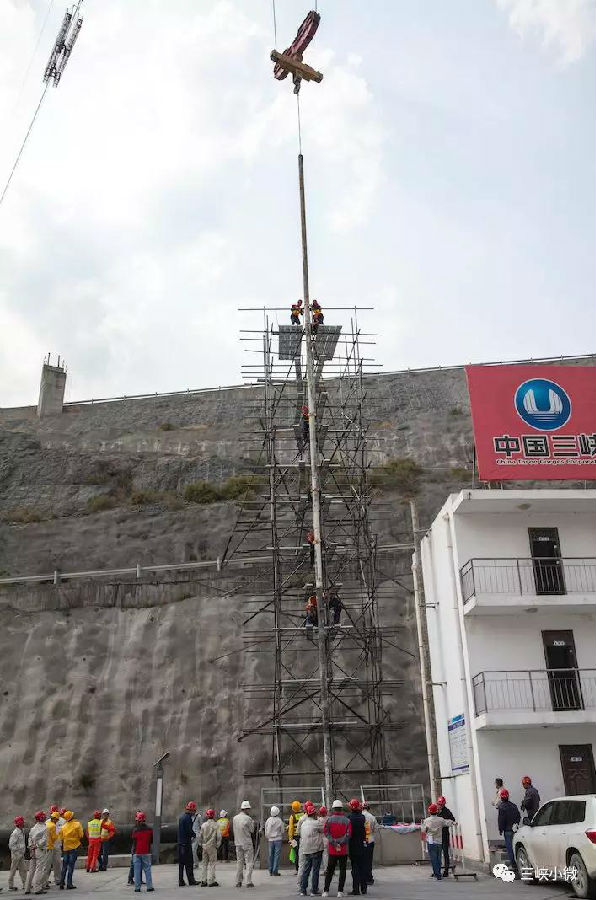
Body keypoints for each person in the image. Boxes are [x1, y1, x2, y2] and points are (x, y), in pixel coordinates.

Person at [322, 799, 351, 898]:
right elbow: (348, 834)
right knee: (342, 870)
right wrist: (340, 842)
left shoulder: (329, 820)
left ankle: (326, 891)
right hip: (343, 849)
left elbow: (326, 832)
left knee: (330, 870)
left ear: (333, 809)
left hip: (332, 849)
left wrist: (334, 843)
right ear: (341, 808)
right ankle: (340, 891)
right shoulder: (347, 821)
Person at [298, 801, 324, 897]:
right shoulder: (317, 823)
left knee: (306, 870)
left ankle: (303, 890)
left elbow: (299, 832)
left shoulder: (303, 823)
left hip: (306, 849)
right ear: (314, 814)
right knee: (315, 871)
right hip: (316, 849)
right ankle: (314, 890)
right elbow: (323, 829)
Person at [233, 800, 256, 889]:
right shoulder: (248, 819)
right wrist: (253, 823)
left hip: (238, 843)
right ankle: (248, 881)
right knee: (249, 862)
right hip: (247, 843)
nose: (249, 810)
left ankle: (238, 881)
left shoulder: (235, 818)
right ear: (246, 809)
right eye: (248, 809)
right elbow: (252, 830)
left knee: (239, 862)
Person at [347, 798, 368, 896]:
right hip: (362, 845)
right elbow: (365, 831)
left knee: (355, 868)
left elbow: (348, 833)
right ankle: (364, 888)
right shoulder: (363, 817)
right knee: (362, 867)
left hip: (353, 846)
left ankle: (356, 889)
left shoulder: (349, 818)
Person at [59, 810, 84, 890]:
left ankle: (61, 882)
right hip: (74, 847)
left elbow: (61, 838)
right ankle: (69, 884)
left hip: (66, 848)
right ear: (72, 817)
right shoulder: (77, 824)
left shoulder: (63, 827)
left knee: (64, 866)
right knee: (71, 866)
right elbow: (81, 835)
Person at [497, 789, 520, 871]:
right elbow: (518, 816)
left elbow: (501, 820)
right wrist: (516, 824)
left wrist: (500, 829)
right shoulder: (514, 806)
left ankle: (513, 865)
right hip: (515, 830)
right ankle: (519, 863)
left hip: (507, 830)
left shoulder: (501, 807)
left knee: (510, 848)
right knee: (516, 847)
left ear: (501, 797)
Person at [131, 811, 154, 893]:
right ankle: (149, 887)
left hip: (137, 852)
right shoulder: (149, 829)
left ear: (138, 820)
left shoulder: (135, 830)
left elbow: (134, 841)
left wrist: (134, 851)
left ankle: (137, 888)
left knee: (137, 871)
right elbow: (151, 840)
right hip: (146, 852)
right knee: (147, 870)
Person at [178, 801, 199, 887]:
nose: (194, 813)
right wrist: (194, 835)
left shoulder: (181, 817)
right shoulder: (188, 819)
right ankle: (191, 880)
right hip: (186, 844)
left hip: (180, 844)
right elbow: (189, 831)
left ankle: (181, 881)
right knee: (189, 863)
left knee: (181, 864)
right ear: (192, 810)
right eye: (194, 811)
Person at [199, 808, 221, 887]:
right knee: (212, 863)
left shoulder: (203, 825)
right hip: (212, 846)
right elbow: (219, 837)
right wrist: (217, 845)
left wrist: (201, 844)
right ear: (214, 815)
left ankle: (203, 881)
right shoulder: (216, 825)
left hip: (204, 846)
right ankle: (211, 881)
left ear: (207, 815)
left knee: (204, 864)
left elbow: (200, 836)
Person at [435, 796, 456, 878]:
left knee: (445, 852)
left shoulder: (447, 812)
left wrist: (445, 822)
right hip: (437, 835)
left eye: (441, 804)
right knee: (437, 853)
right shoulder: (435, 811)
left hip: (444, 834)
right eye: (439, 804)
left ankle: (446, 870)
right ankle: (437, 870)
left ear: (444, 804)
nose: (440, 806)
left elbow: (452, 820)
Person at [423, 803, 444, 880]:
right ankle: (438, 873)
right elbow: (447, 823)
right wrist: (453, 822)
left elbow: (424, 830)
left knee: (433, 859)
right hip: (439, 841)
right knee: (438, 858)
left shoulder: (426, 820)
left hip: (431, 841)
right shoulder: (441, 820)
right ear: (437, 811)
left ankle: (437, 874)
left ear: (429, 811)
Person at [8, 815, 28, 892]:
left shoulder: (21, 831)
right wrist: (18, 851)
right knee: (13, 870)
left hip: (21, 854)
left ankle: (25, 884)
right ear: (19, 824)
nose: (24, 824)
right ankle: (10, 885)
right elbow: (11, 845)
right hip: (16, 854)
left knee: (23, 869)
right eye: (22, 822)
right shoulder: (15, 833)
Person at [44, 809, 62, 889]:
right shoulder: (47, 823)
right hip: (51, 845)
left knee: (57, 863)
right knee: (47, 864)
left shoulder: (62, 821)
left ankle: (57, 879)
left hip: (57, 845)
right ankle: (45, 880)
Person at [264, 806, 283, 877]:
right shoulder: (279, 820)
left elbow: (266, 830)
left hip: (270, 840)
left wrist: (268, 836)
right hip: (278, 839)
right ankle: (275, 871)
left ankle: (270, 870)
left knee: (270, 855)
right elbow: (282, 830)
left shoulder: (268, 820)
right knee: (276, 856)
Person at [361, 802, 377, 886]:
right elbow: (375, 829)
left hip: (361, 841)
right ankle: (369, 878)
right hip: (370, 840)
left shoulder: (360, 816)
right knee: (369, 861)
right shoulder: (372, 817)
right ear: (369, 808)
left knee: (361, 860)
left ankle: (362, 878)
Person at [288, 800, 304, 873]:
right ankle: (303, 868)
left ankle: (298, 869)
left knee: (297, 853)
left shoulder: (292, 816)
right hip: (303, 836)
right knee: (303, 853)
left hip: (295, 837)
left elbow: (291, 828)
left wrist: (290, 838)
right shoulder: (304, 814)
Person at [319, 806, 329, 881]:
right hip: (329, 838)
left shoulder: (319, 820)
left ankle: (326, 870)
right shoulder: (329, 819)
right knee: (329, 855)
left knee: (325, 855)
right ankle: (330, 869)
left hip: (322, 838)